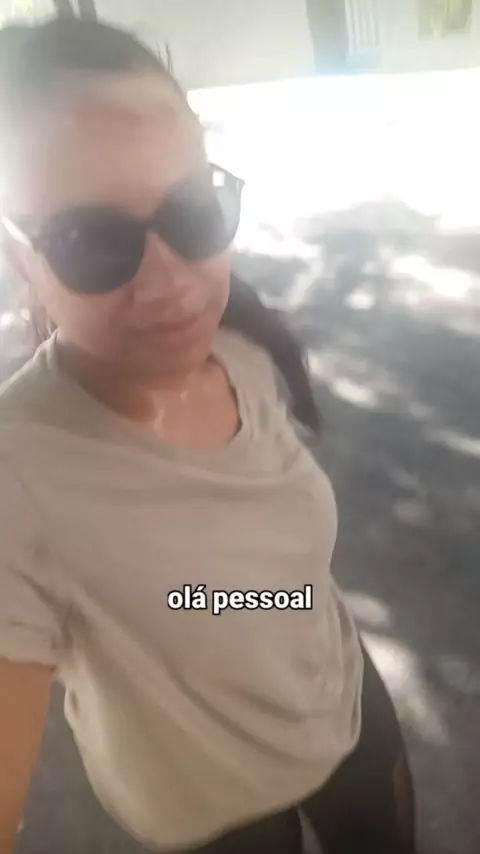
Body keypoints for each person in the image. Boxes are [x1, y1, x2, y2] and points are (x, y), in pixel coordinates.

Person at [0, 18, 416, 854]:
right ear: (20, 260)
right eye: (90, 241)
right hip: (209, 812)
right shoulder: (19, 477)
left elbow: (260, 577)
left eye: (194, 211)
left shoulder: (239, 353)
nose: (172, 284)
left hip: (344, 706)